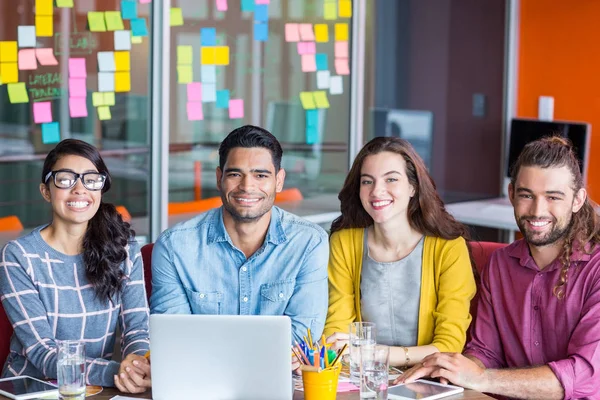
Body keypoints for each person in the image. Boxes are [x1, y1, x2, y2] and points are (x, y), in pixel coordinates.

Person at [398, 136, 600, 399]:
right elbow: (485, 352)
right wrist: (448, 373)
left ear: (577, 200)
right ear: (512, 194)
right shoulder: (500, 264)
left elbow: (586, 375)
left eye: (553, 197)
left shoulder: (595, 269)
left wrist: (482, 378)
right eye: (527, 195)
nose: (538, 210)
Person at [150, 125, 328, 344]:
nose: (247, 186)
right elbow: (174, 337)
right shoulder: (174, 247)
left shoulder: (309, 243)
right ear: (219, 178)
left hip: (278, 375)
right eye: (235, 174)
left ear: (279, 181)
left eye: (261, 175)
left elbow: (303, 335)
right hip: (202, 376)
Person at [0, 139, 151, 393]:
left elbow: (137, 328)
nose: (80, 189)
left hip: (93, 389)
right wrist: (120, 371)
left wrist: (137, 365)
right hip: (31, 389)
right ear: (46, 191)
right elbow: (43, 354)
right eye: (65, 179)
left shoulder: (123, 249)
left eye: (91, 179)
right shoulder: (19, 256)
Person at [324, 137, 476, 367]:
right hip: (360, 375)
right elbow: (337, 329)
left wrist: (375, 354)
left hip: (428, 378)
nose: (377, 191)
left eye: (391, 179)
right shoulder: (344, 243)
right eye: (367, 181)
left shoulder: (449, 248)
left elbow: (449, 345)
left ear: (413, 187)